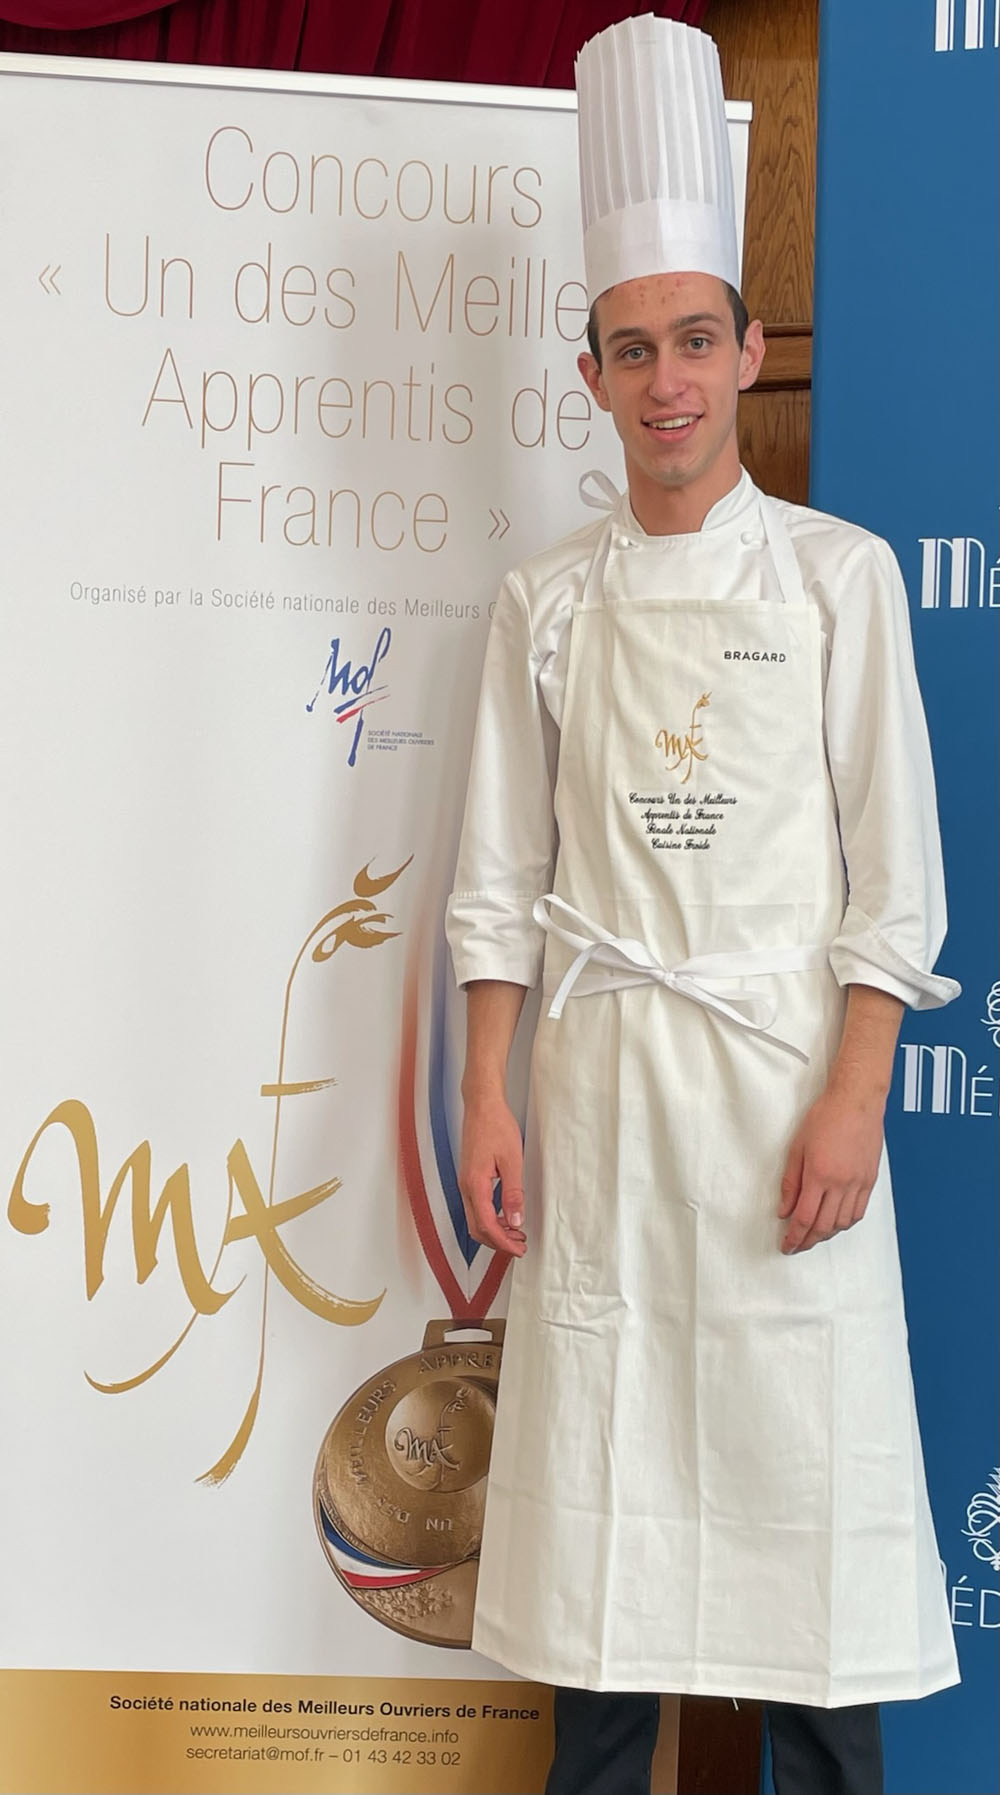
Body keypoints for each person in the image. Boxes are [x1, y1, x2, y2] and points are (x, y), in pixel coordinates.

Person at [445, 18, 960, 1795]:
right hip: (598, 1117)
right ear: (587, 374)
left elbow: (896, 878)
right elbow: (500, 882)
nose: (664, 381)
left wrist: (854, 1094)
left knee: (805, 1555)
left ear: (747, 351)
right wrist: (486, 1090)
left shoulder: (839, 582)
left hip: (779, 1104)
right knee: (601, 1578)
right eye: (629, 346)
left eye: (692, 340)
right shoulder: (545, 603)